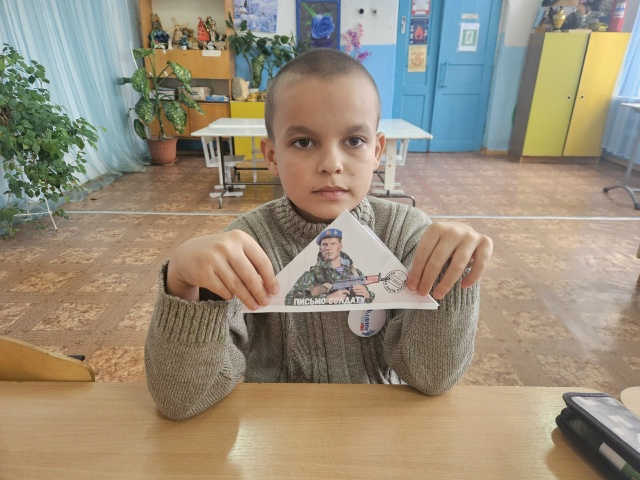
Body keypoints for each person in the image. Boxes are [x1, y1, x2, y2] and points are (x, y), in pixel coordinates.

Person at [144, 48, 493, 420]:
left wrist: (451, 274)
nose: (331, 164)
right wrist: (182, 284)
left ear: (377, 150)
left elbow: (433, 377)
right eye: (303, 142)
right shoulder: (247, 246)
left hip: (378, 427)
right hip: (276, 428)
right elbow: (181, 400)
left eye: (353, 141)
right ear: (272, 155)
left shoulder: (407, 235)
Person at [285, 228, 375, 305]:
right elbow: (289, 300)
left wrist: (368, 295)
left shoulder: (355, 273)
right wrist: (326, 299)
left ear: (340, 246)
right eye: (325, 244)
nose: (328, 248)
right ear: (320, 248)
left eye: (333, 244)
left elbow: (368, 302)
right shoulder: (311, 275)